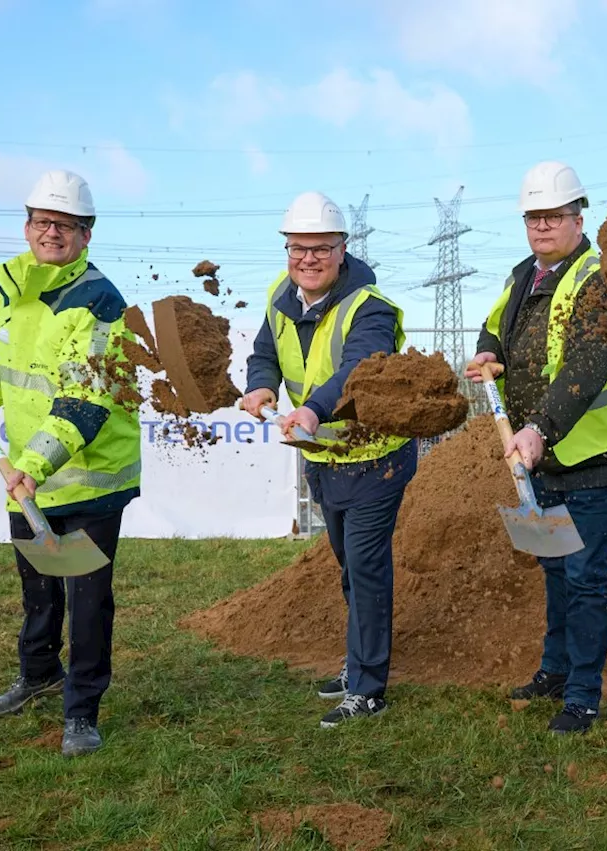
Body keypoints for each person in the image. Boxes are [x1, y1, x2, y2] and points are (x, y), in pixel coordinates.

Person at [0, 169, 142, 757]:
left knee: (87, 601)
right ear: (27, 225)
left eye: (66, 225)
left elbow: (85, 401)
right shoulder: (10, 289)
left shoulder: (100, 299)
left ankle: (81, 710)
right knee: (39, 590)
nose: (51, 232)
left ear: (87, 235)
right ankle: (38, 676)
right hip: (28, 479)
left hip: (88, 481)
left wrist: (32, 464)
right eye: (42, 221)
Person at [465, 161, 607, 735]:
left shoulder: (604, 277)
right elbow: (495, 326)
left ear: (578, 218)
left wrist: (539, 428)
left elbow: (588, 366)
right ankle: (556, 669)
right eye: (534, 217)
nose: (543, 226)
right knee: (556, 567)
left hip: (592, 453)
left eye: (554, 216)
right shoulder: (525, 275)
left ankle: (584, 696)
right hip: (536, 453)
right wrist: (489, 351)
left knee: (586, 572)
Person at [241, 190, 416, 729]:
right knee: (347, 564)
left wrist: (314, 409)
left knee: (365, 565)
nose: (308, 259)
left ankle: (368, 688)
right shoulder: (281, 295)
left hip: (374, 456)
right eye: (298, 249)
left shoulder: (371, 308)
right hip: (326, 456)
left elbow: (360, 367)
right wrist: (261, 386)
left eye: (321, 248)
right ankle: (357, 662)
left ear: (343, 250)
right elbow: (264, 352)